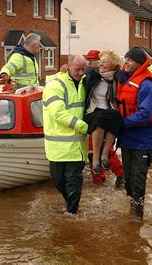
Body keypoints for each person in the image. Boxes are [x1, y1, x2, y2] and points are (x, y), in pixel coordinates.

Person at [116, 47, 152, 218]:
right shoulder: (127, 79)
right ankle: (131, 212)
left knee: (138, 181)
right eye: (125, 59)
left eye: (130, 60)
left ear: (139, 63)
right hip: (127, 138)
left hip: (142, 139)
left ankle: (137, 218)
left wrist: (121, 123)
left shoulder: (147, 84)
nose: (126, 62)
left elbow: (145, 114)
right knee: (128, 180)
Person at [42, 54, 88, 214]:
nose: (81, 72)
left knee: (74, 181)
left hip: (77, 148)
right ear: (67, 66)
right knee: (58, 181)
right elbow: (58, 114)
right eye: (77, 69)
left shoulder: (85, 83)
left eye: (83, 69)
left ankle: (72, 213)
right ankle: (71, 206)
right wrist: (85, 127)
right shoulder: (54, 85)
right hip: (57, 147)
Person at [83, 49, 124, 184]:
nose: (91, 63)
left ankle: (119, 174)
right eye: (88, 60)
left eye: (93, 60)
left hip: (108, 116)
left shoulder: (117, 78)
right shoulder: (90, 75)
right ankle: (98, 179)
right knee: (92, 150)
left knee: (107, 149)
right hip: (94, 116)